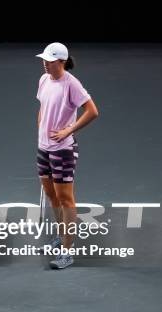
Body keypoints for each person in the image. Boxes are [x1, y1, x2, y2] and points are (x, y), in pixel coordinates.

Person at [35, 43, 99, 269]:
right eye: (44, 59)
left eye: (49, 60)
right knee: (52, 197)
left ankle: (67, 251)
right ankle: (60, 238)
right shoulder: (43, 80)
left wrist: (68, 130)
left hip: (63, 150)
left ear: (61, 62)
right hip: (43, 148)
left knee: (65, 199)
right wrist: (41, 129)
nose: (45, 63)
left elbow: (92, 111)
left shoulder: (71, 84)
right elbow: (42, 107)